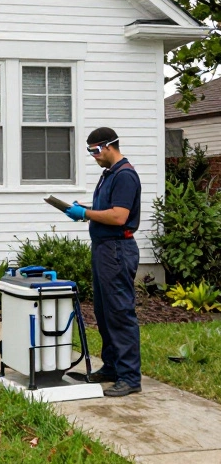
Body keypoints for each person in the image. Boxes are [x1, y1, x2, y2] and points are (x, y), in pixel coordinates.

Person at [62, 127, 141, 397]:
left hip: (117, 248)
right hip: (104, 248)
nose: (93, 156)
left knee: (119, 312)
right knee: (104, 312)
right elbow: (106, 210)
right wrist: (84, 210)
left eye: (95, 150)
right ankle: (111, 368)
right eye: (90, 151)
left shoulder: (125, 175)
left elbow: (119, 217)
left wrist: (84, 213)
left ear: (109, 146)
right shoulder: (108, 175)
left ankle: (130, 377)